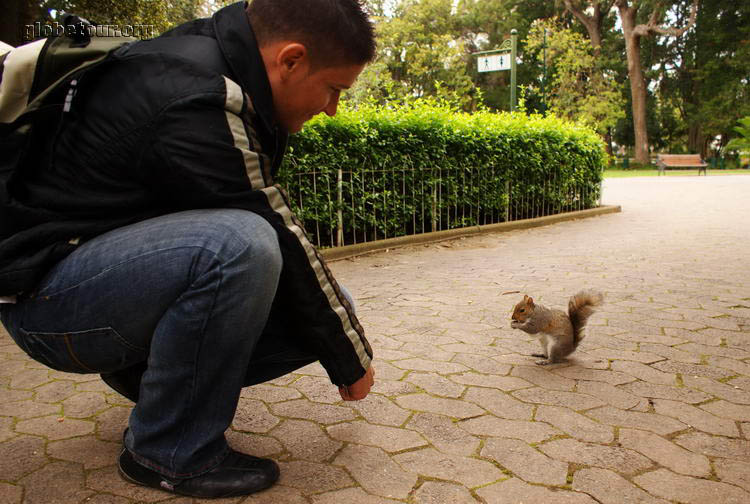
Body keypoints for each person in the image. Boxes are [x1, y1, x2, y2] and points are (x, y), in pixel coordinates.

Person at [0, 0, 376, 498]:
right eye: (334, 89)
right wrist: (350, 359)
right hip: (50, 307)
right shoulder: (197, 93)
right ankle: (169, 451)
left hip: (97, 285)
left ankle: (155, 391)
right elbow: (276, 230)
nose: (332, 108)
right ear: (291, 60)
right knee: (241, 245)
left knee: (327, 308)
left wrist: (341, 341)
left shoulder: (214, 65)